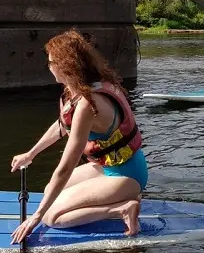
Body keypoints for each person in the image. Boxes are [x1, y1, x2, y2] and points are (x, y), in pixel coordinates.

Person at [9, 29, 148, 245]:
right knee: (49, 191)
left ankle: (121, 208)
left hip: (127, 173)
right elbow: (62, 126)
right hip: (110, 165)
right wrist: (31, 154)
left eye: (51, 62)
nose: (49, 67)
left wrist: (34, 218)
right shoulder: (80, 89)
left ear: (65, 66)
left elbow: (65, 168)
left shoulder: (87, 105)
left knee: (50, 216)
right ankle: (124, 198)